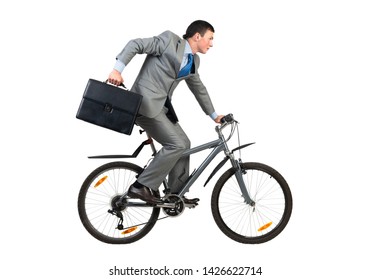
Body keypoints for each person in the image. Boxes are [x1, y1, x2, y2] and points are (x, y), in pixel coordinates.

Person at [108, 20, 224, 204]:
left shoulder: (194, 60)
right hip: (144, 104)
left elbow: (198, 88)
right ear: (197, 36)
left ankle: (176, 194)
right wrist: (117, 70)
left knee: (184, 144)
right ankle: (141, 186)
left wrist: (214, 115)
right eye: (210, 38)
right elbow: (135, 44)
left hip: (161, 108)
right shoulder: (169, 41)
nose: (211, 43)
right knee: (176, 144)